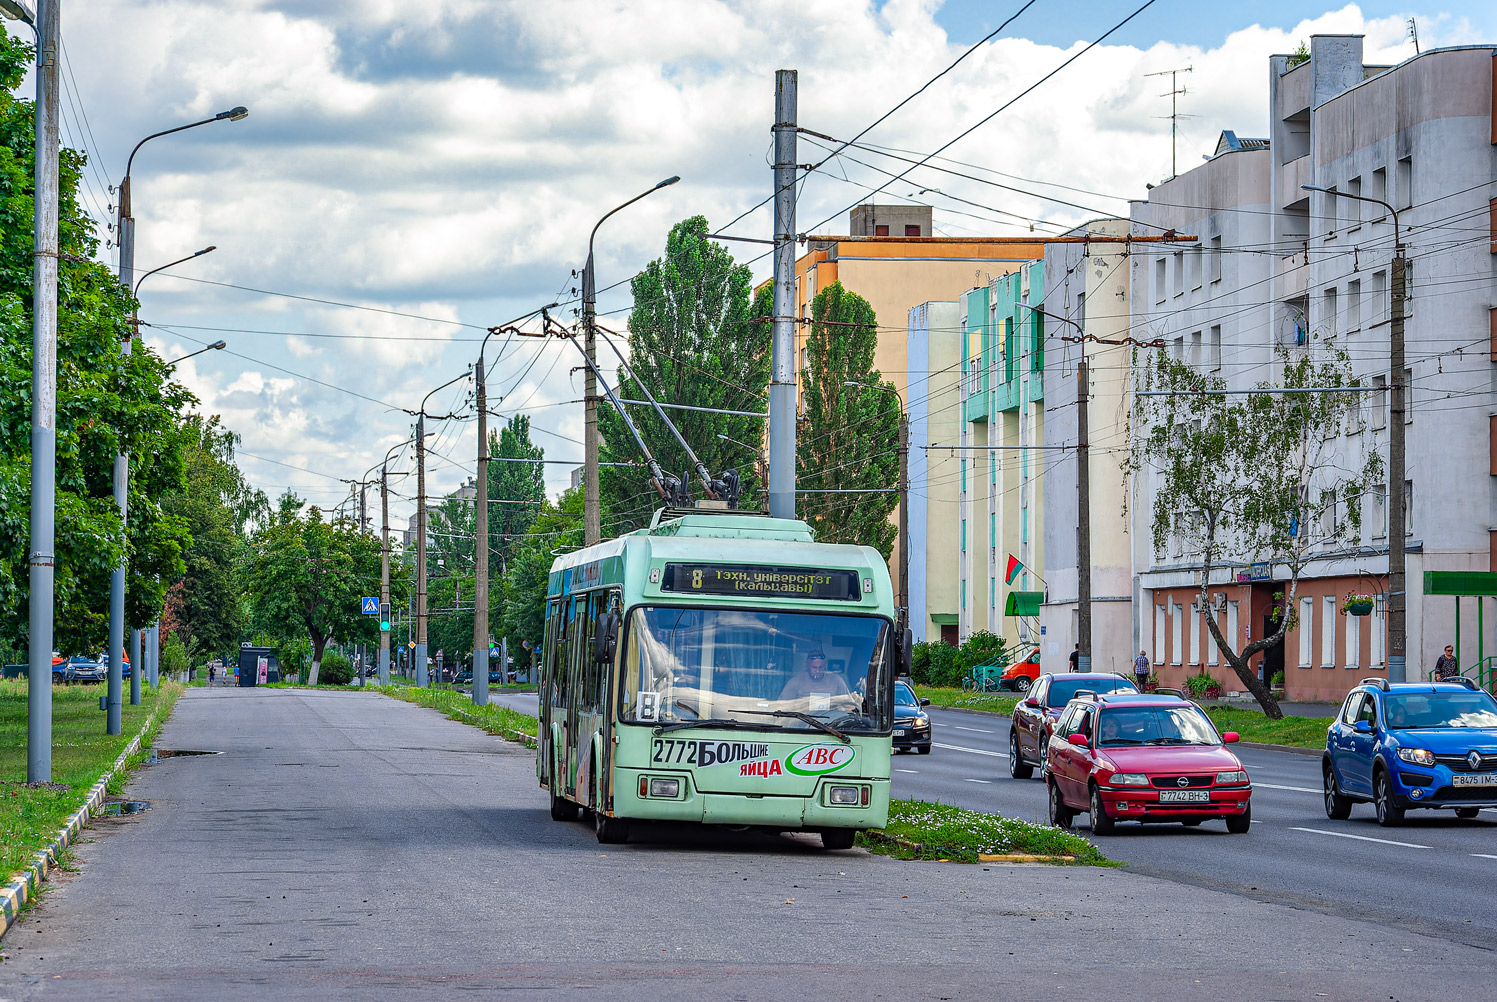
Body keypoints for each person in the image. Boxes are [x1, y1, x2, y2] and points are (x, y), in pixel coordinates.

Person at [779, 650, 852, 708]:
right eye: (814, 667)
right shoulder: (795, 682)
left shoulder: (836, 680)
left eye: (820, 667)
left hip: (830, 721)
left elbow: (849, 705)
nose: (817, 671)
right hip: (802, 721)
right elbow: (782, 706)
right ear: (807, 665)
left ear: (825, 665)